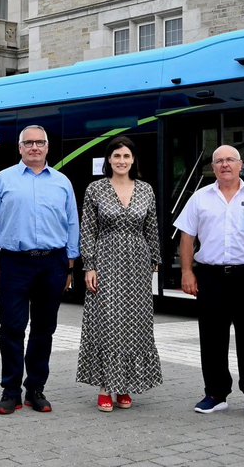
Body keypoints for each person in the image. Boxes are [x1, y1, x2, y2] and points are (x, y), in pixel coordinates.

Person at [0, 125, 80, 415]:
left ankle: (35, 389)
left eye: (40, 142)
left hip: (53, 263)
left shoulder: (62, 182)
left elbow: (72, 223)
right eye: (29, 143)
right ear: (20, 148)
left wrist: (70, 266)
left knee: (43, 329)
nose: (34, 147)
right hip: (14, 262)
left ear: (48, 147)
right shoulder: (3, 180)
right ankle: (10, 391)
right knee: (11, 328)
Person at [173, 144, 244, 420]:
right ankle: (216, 394)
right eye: (219, 161)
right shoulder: (199, 198)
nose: (225, 165)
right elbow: (187, 237)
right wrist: (187, 272)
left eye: (230, 160)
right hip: (210, 276)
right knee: (212, 338)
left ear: (241, 165)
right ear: (213, 167)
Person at [75, 136, 162, 412]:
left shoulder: (146, 189)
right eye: (116, 156)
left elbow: (152, 228)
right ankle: (105, 386)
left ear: (133, 159)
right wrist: (89, 265)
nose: (122, 161)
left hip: (137, 263)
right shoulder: (95, 189)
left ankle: (124, 385)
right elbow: (88, 229)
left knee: (134, 323)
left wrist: (155, 262)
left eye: (126, 156)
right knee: (107, 322)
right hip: (106, 260)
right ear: (108, 161)